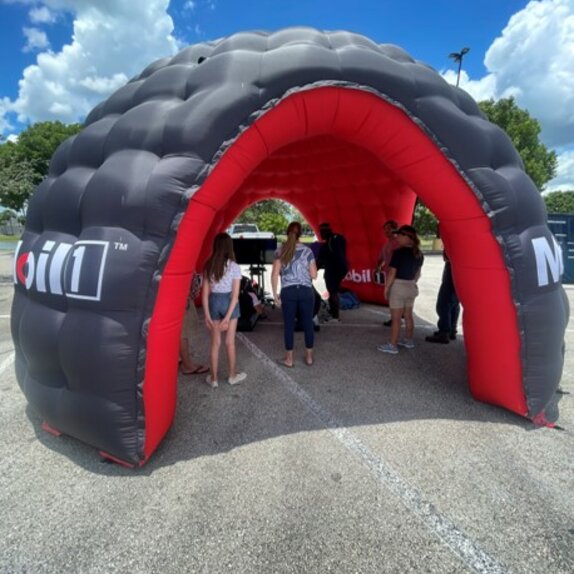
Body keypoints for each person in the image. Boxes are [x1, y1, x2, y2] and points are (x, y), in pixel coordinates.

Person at [202, 233, 247, 388]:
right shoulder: (234, 267)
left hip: (214, 301)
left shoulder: (208, 265)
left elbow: (205, 293)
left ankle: (213, 379)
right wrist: (228, 317)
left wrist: (207, 315)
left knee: (215, 343)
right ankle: (232, 376)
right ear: (229, 247)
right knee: (230, 342)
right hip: (228, 302)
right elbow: (235, 296)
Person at [272, 221, 318, 367]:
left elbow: (274, 274)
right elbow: (314, 275)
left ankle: (289, 359)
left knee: (289, 325)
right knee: (308, 324)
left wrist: (275, 295)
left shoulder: (280, 251)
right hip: (305, 291)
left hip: (288, 292)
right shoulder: (307, 251)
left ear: (287, 233)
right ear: (301, 234)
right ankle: (309, 357)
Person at [377, 225, 424, 354]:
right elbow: (418, 274)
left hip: (398, 287)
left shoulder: (398, 252)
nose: (397, 237)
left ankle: (392, 345)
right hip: (411, 286)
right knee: (408, 316)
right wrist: (412, 283)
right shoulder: (419, 254)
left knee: (396, 318)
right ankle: (409, 340)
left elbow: (392, 272)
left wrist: (386, 289)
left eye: (400, 235)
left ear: (407, 237)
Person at [425, 251, 460, 344]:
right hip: (458, 266)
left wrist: (447, 254)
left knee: (444, 304)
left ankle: (444, 332)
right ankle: (452, 330)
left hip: (452, 264)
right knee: (454, 302)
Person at [317, 222, 348, 322]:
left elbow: (321, 260)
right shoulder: (339, 238)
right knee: (333, 291)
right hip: (340, 268)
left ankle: (335, 316)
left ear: (326, 231)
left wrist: (312, 272)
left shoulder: (330, 242)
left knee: (333, 291)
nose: (320, 234)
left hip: (334, 269)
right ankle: (333, 313)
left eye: (321, 232)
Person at [180, 271, 209, 375]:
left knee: (178, 332)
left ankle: (180, 359)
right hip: (182, 298)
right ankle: (187, 366)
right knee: (183, 333)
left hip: (175, 297)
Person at [375, 220, 400, 326]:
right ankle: (395, 317)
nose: (386, 231)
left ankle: (396, 319)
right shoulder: (387, 244)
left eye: (388, 229)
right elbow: (381, 258)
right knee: (392, 297)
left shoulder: (398, 243)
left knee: (395, 298)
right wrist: (378, 266)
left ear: (395, 229)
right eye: (385, 229)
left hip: (397, 275)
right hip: (389, 274)